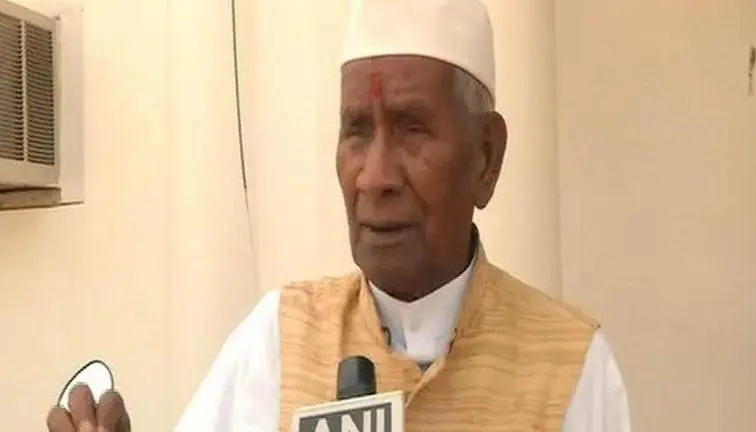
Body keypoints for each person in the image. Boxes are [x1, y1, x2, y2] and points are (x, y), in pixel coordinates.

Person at [46, 0, 632, 431]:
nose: (374, 177)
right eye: (357, 131)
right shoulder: (277, 339)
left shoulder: (571, 364)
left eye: (412, 129)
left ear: (485, 156)